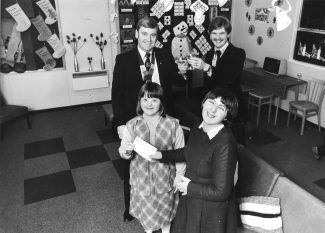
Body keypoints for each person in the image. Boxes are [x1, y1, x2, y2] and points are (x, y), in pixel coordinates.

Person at [112, 16, 186, 222]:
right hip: (134, 120)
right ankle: (130, 208)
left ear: (157, 37)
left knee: (164, 162)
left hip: (162, 118)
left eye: (153, 35)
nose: (148, 39)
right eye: (144, 34)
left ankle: (165, 204)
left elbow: (178, 81)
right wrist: (120, 123)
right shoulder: (124, 59)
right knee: (132, 166)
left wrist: (184, 71)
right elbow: (116, 94)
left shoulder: (164, 55)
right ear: (136, 34)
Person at [150, 88, 239, 233]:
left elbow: (222, 192)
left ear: (227, 115)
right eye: (211, 102)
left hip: (210, 210)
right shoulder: (199, 127)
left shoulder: (225, 143)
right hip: (192, 197)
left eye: (221, 107)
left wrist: (188, 187)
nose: (213, 110)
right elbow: (189, 152)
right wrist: (161, 155)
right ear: (203, 103)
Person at [118, 82, 186, 233]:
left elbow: (181, 154)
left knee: (166, 214)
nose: (149, 104)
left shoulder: (174, 125)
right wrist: (126, 151)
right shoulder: (132, 125)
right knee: (147, 216)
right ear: (139, 102)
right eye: (145, 99)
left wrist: (179, 176)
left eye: (154, 100)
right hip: (141, 181)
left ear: (161, 102)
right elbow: (123, 152)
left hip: (165, 180)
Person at [187, 16, 247, 146]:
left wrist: (206, 67)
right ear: (209, 34)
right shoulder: (209, 53)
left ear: (228, 34)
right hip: (213, 108)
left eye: (222, 33)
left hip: (231, 108)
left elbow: (229, 79)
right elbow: (209, 84)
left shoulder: (238, 53)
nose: (217, 37)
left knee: (232, 144)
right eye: (214, 33)